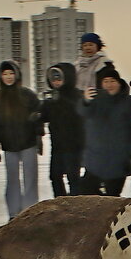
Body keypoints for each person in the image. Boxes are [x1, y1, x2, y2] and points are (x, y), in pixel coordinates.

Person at [0, 60, 43, 218]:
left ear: (17, 74)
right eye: (5, 74)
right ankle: (13, 213)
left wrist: (38, 134)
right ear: (0, 76)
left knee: (30, 179)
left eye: (11, 73)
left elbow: (39, 114)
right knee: (12, 181)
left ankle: (30, 211)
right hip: (9, 145)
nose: (9, 77)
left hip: (28, 143)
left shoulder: (27, 95)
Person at [80, 66, 131, 196]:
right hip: (95, 159)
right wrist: (85, 101)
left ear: (119, 83)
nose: (109, 85)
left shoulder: (130, 102)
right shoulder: (95, 100)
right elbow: (82, 112)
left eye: (112, 81)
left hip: (119, 159)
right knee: (87, 195)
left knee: (112, 198)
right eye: (106, 81)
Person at [39, 62, 84, 197]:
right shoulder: (51, 97)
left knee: (73, 177)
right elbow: (45, 116)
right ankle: (61, 201)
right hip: (57, 145)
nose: (56, 83)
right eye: (53, 80)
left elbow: (78, 114)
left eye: (59, 79)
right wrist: (37, 116)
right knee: (54, 176)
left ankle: (75, 204)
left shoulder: (76, 95)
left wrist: (60, 100)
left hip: (74, 145)